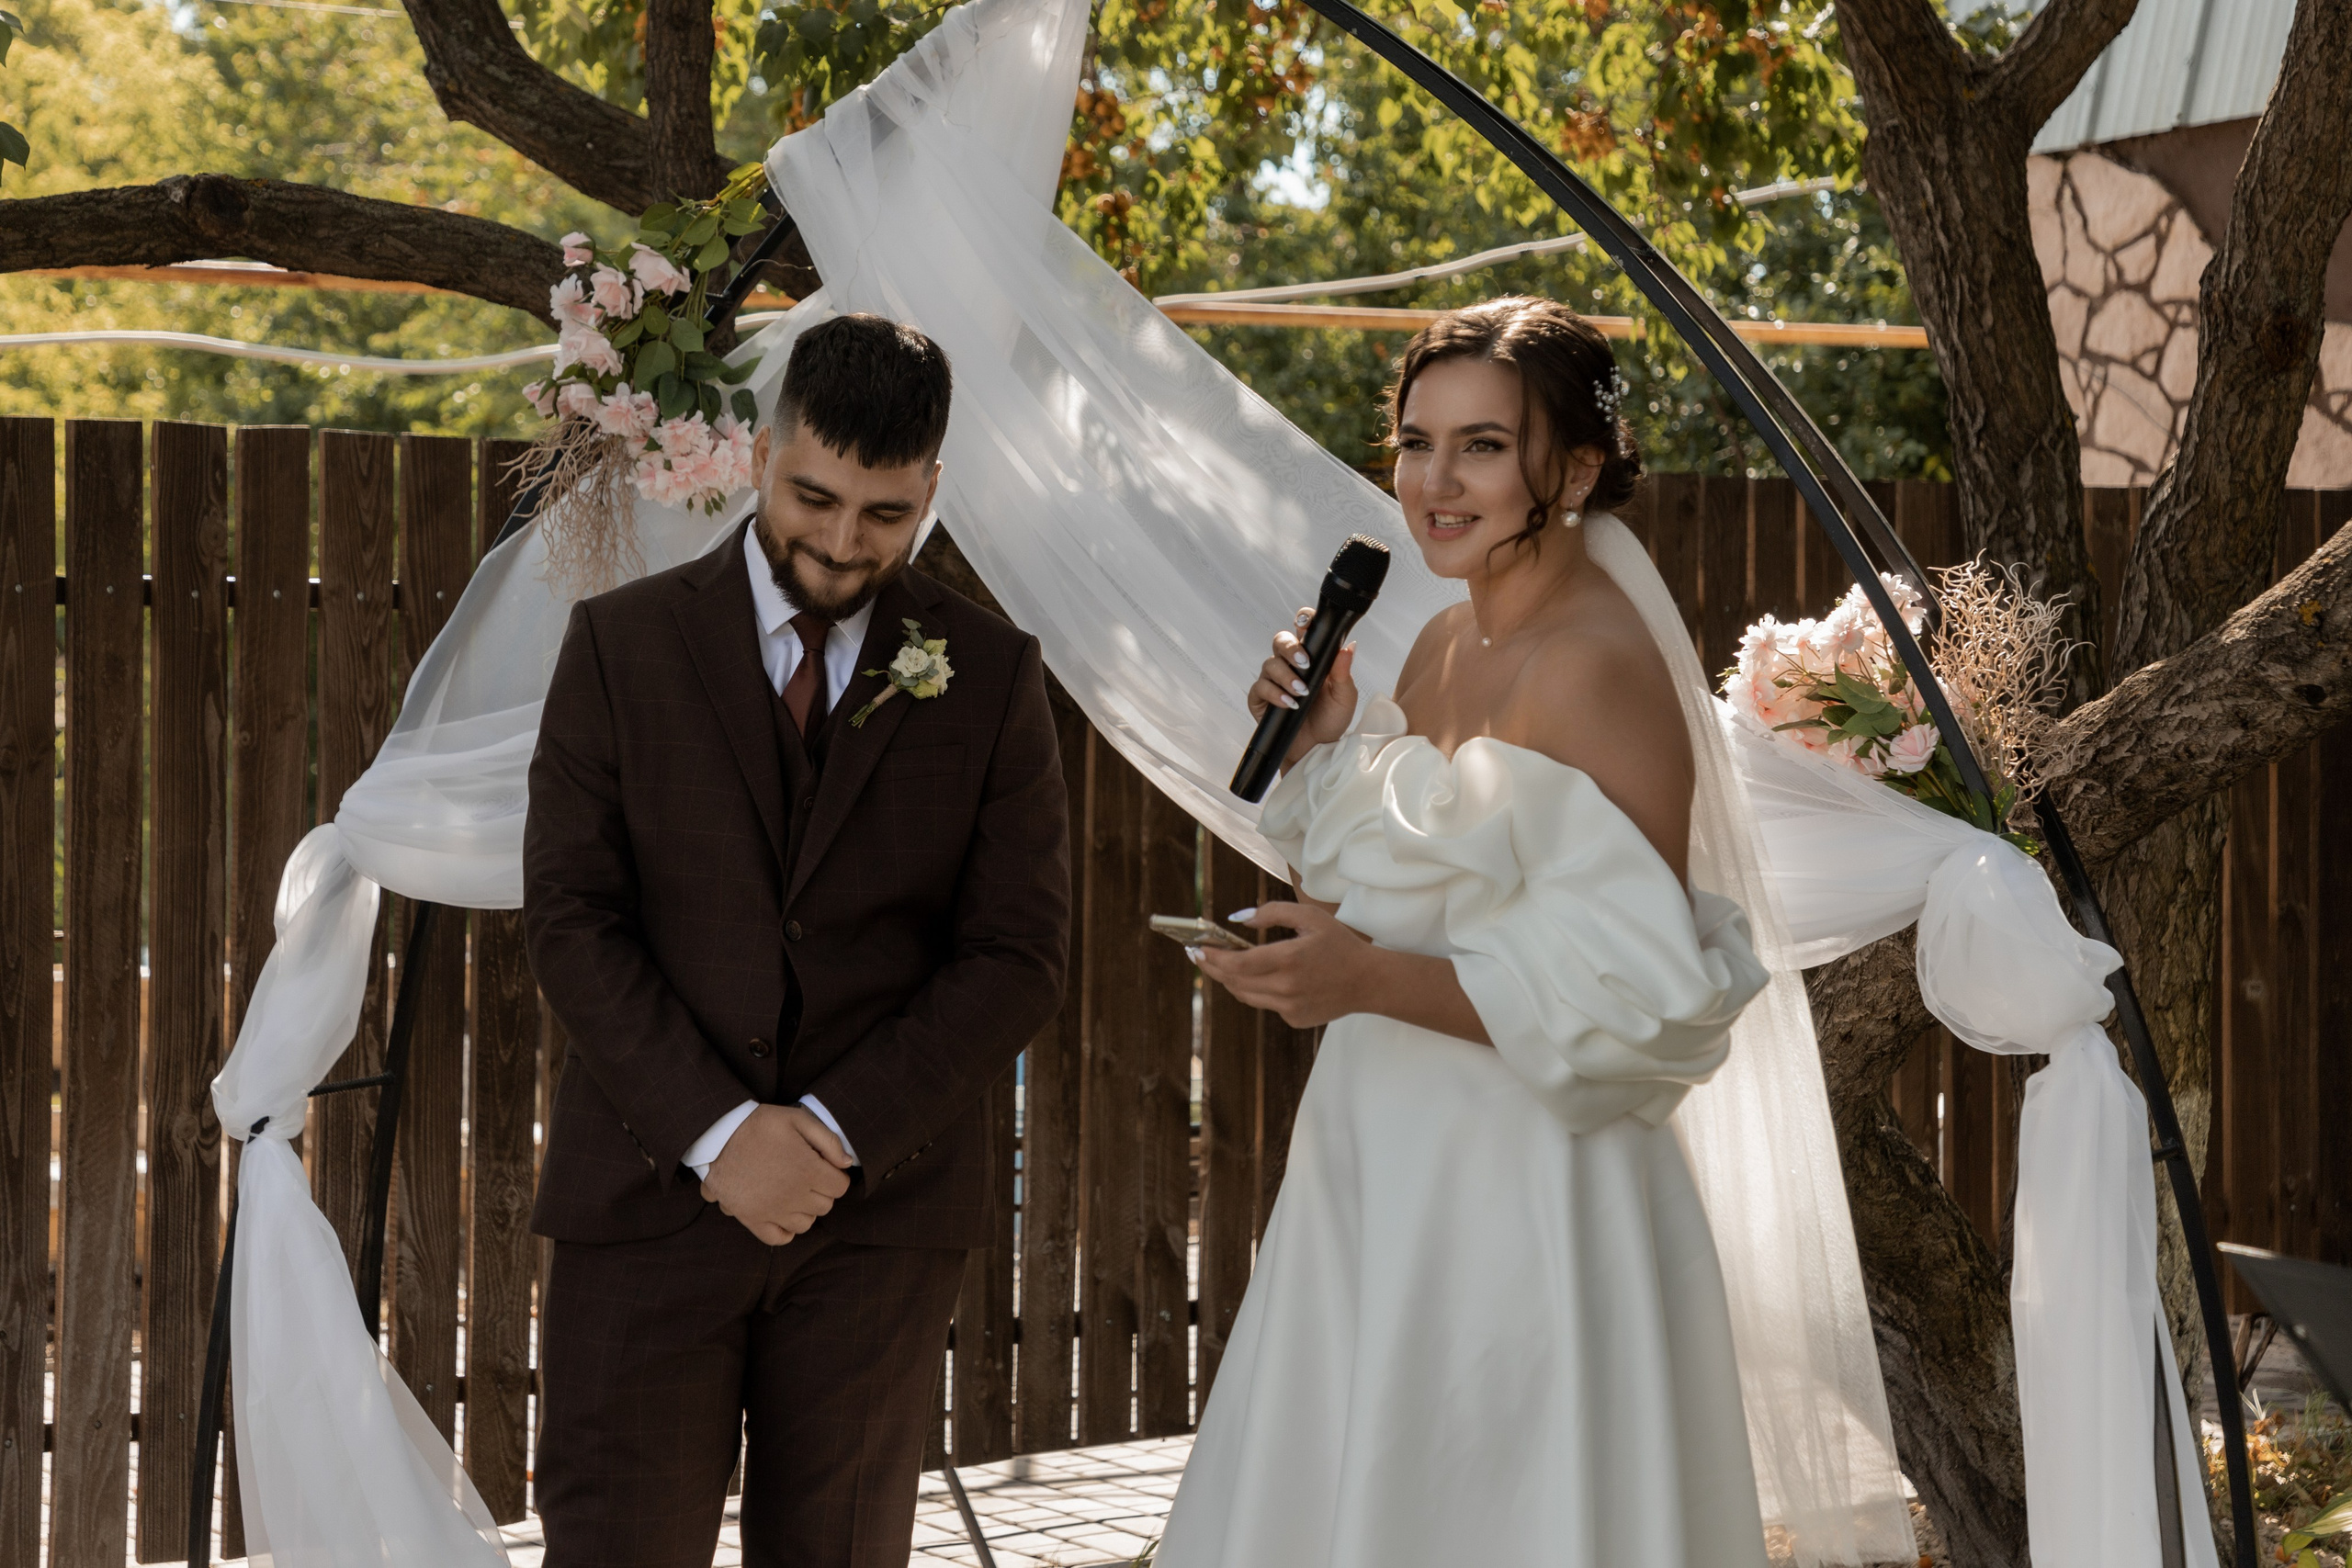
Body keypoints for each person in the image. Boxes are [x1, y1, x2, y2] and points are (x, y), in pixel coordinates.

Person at [1157, 296, 1776, 1566]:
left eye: (1483, 446)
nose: (1435, 482)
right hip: (1382, 1147)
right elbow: (1430, 893)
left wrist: (1369, 978)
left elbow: (1635, 992)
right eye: (1416, 441)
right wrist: (1326, 758)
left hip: (1524, 1179)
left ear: (1579, 466)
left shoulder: (1596, 662)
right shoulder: (1438, 641)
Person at [522, 312, 1071, 1568]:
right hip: (648, 1201)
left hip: (876, 1220)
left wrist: (827, 1136)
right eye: (814, 496)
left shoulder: (987, 677)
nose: (839, 542)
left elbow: (1018, 955)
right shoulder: (621, 647)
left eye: (885, 514)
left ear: (933, 486)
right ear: (762, 451)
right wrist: (721, 1136)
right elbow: (572, 920)